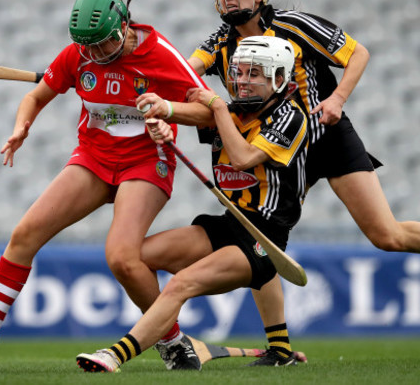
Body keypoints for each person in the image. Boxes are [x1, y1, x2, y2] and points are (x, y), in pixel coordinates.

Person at [183, 0, 420, 366]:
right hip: (274, 142)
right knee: (259, 236)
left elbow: (358, 54)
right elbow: (184, 74)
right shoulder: (219, 41)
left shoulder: (295, 24)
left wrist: (337, 99)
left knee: (385, 235)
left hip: (326, 136)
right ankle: (280, 349)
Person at [0, 0, 214, 370]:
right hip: (94, 158)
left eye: (101, 45)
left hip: (146, 161)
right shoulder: (78, 56)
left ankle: (172, 341)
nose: (93, 55)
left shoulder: (160, 54)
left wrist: (169, 110)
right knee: (25, 234)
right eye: (86, 47)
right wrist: (21, 128)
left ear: (123, 27)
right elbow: (35, 97)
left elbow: (210, 111)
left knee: (123, 259)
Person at [76, 35, 308, 373]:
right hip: (229, 224)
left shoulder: (290, 117)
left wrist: (214, 107)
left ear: (278, 78)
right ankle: (177, 342)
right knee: (135, 259)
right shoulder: (228, 111)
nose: (242, 81)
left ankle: (117, 353)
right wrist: (162, 116)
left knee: (181, 284)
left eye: (254, 73)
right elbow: (183, 113)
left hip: (263, 238)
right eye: (239, 72)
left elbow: (242, 158)